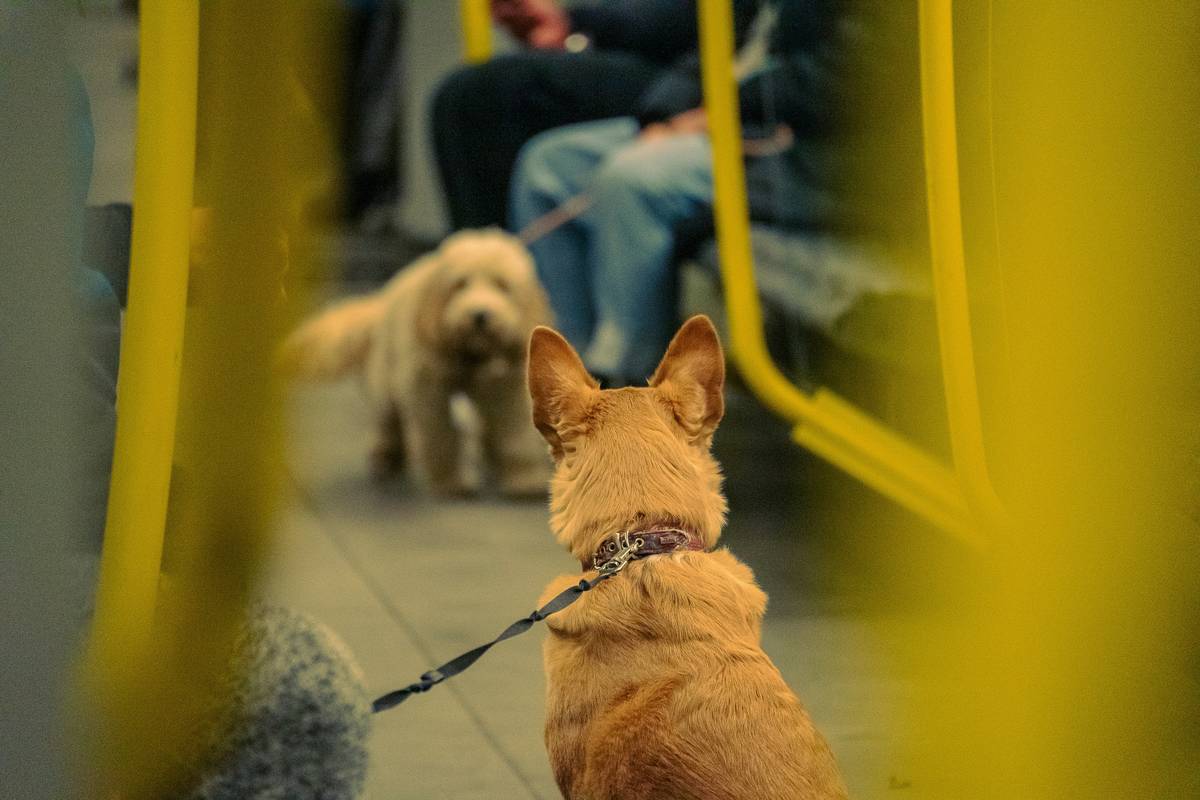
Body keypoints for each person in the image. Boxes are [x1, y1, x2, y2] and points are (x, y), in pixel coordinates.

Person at [508, 0, 860, 384]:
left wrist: (728, 108)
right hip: (724, 117)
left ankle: (623, 385)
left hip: (809, 144)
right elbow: (714, 42)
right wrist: (662, 115)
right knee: (550, 165)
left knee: (634, 179)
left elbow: (860, 73)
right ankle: (566, 376)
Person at [431, 0, 758, 230]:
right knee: (473, 99)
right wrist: (572, 24)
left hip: (706, 72)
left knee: (492, 94)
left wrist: (666, 112)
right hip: (670, 60)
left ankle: (498, 287)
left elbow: (710, 22)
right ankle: (477, 275)